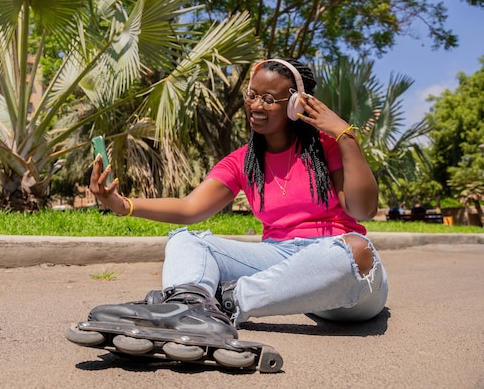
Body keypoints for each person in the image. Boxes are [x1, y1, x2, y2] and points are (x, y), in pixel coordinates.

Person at [88, 58, 388, 331]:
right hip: (278, 260)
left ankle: (219, 304)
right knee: (186, 240)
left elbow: (362, 210)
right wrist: (122, 204)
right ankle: (188, 307)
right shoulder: (244, 161)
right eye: (252, 95)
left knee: (356, 251)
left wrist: (345, 136)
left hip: (340, 274)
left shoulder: (327, 146)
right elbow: (190, 208)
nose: (256, 105)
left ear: (296, 104)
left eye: (269, 99)